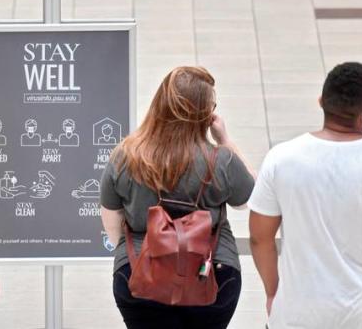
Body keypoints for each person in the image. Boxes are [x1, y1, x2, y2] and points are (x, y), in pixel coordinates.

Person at [248, 62, 362, 328]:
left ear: (321, 101)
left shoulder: (281, 159)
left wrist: (274, 292)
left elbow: (259, 238)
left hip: (296, 317)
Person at [99, 67, 255, 328]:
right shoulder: (221, 161)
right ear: (205, 114)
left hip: (140, 275)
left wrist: (142, 255)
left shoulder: (125, 156)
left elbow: (112, 218)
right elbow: (249, 199)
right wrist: (225, 139)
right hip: (212, 273)